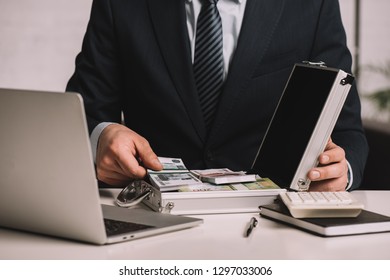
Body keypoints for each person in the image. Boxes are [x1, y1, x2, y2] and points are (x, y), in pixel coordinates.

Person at [66, 0, 368, 191]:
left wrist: (341, 172)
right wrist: (100, 138)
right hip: (149, 211)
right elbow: (83, 112)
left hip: (271, 219)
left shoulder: (312, 6)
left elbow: (346, 130)